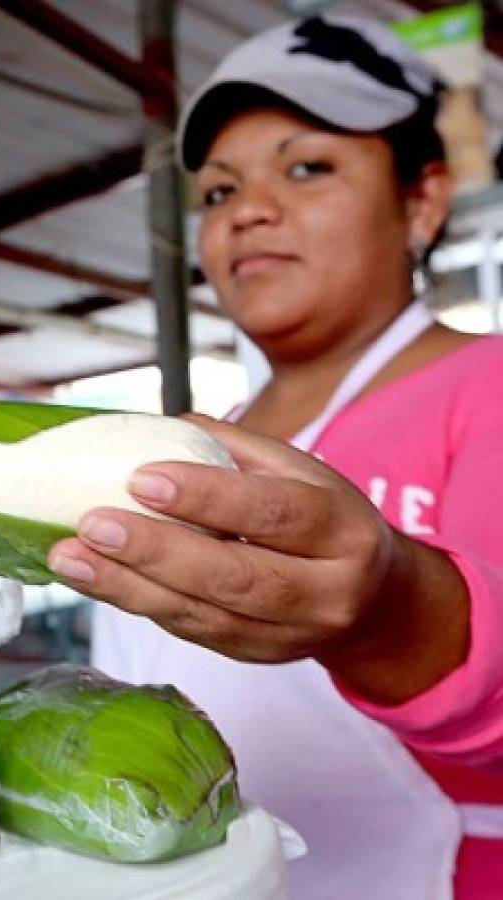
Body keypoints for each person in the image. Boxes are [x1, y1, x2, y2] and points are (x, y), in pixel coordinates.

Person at [45, 16, 503, 899]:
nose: (248, 210)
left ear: (422, 201)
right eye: (218, 193)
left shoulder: (486, 386)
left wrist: (390, 615)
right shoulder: (193, 442)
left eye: (307, 167)